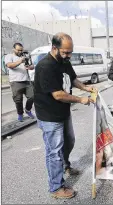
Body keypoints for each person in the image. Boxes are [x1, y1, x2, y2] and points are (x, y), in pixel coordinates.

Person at [34, 32, 96, 199]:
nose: (69, 55)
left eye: (70, 52)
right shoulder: (45, 66)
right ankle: (56, 187)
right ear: (54, 48)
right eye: (66, 52)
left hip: (62, 111)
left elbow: (73, 79)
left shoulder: (64, 61)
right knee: (53, 151)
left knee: (69, 141)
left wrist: (86, 88)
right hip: (49, 115)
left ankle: (65, 165)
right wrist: (81, 99)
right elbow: (58, 95)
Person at [5, 43, 35, 122]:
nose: (20, 51)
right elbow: (10, 65)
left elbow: (32, 66)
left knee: (32, 96)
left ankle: (28, 110)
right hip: (15, 81)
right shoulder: (9, 56)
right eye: (18, 50)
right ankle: (20, 114)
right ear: (13, 49)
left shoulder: (25, 56)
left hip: (27, 80)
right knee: (18, 100)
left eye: (21, 50)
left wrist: (30, 67)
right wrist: (20, 61)